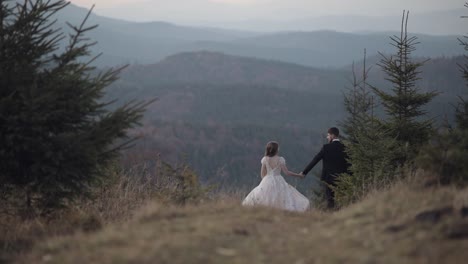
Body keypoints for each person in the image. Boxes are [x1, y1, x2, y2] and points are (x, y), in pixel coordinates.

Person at [242, 141, 310, 212]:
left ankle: (266, 211)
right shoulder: (280, 159)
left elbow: (262, 174)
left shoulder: (265, 159)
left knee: (266, 197)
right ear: (276, 149)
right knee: (281, 197)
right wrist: (298, 175)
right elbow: (287, 173)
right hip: (279, 180)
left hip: (267, 180)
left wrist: (265, 182)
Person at [300, 127, 349, 209]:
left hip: (328, 178)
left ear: (333, 135)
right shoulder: (345, 148)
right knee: (342, 199)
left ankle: (331, 216)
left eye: (328, 135)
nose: (327, 137)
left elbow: (315, 160)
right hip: (342, 178)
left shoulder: (326, 148)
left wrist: (304, 173)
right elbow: (348, 164)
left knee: (330, 199)